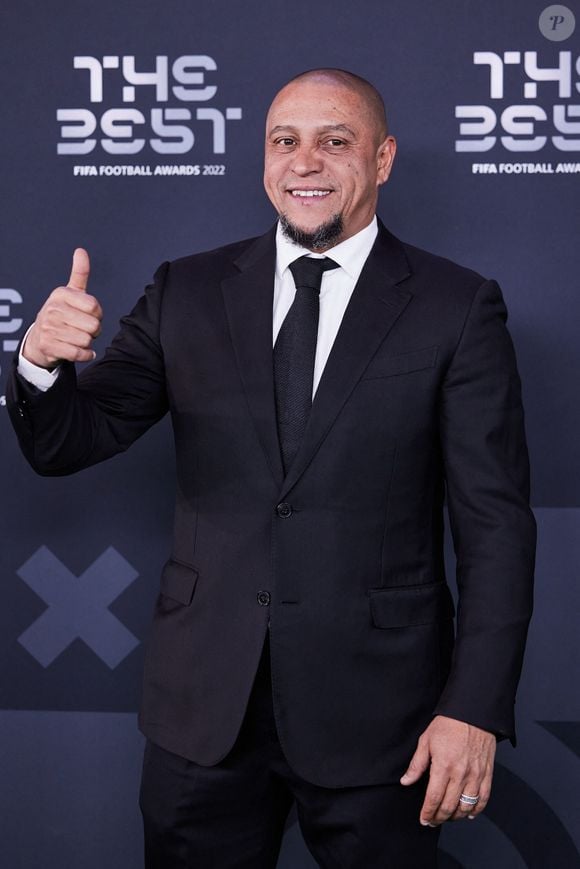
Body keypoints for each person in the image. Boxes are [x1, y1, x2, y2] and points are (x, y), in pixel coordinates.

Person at [7, 69, 536, 868]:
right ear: (263, 158)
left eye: (335, 141)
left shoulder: (456, 307)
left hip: (383, 718)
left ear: (384, 159)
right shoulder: (186, 290)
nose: (305, 163)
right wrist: (41, 363)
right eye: (285, 141)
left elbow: (495, 527)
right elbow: (68, 442)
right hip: (203, 712)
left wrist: (475, 708)